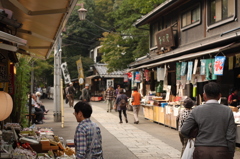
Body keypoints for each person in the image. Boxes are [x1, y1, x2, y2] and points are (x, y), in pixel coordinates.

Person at [181, 82, 236, 159]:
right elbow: (231, 136)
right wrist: (230, 153)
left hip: (201, 151)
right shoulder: (227, 111)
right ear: (219, 96)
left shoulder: (196, 110)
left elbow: (184, 130)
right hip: (221, 151)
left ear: (204, 96)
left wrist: (192, 136)